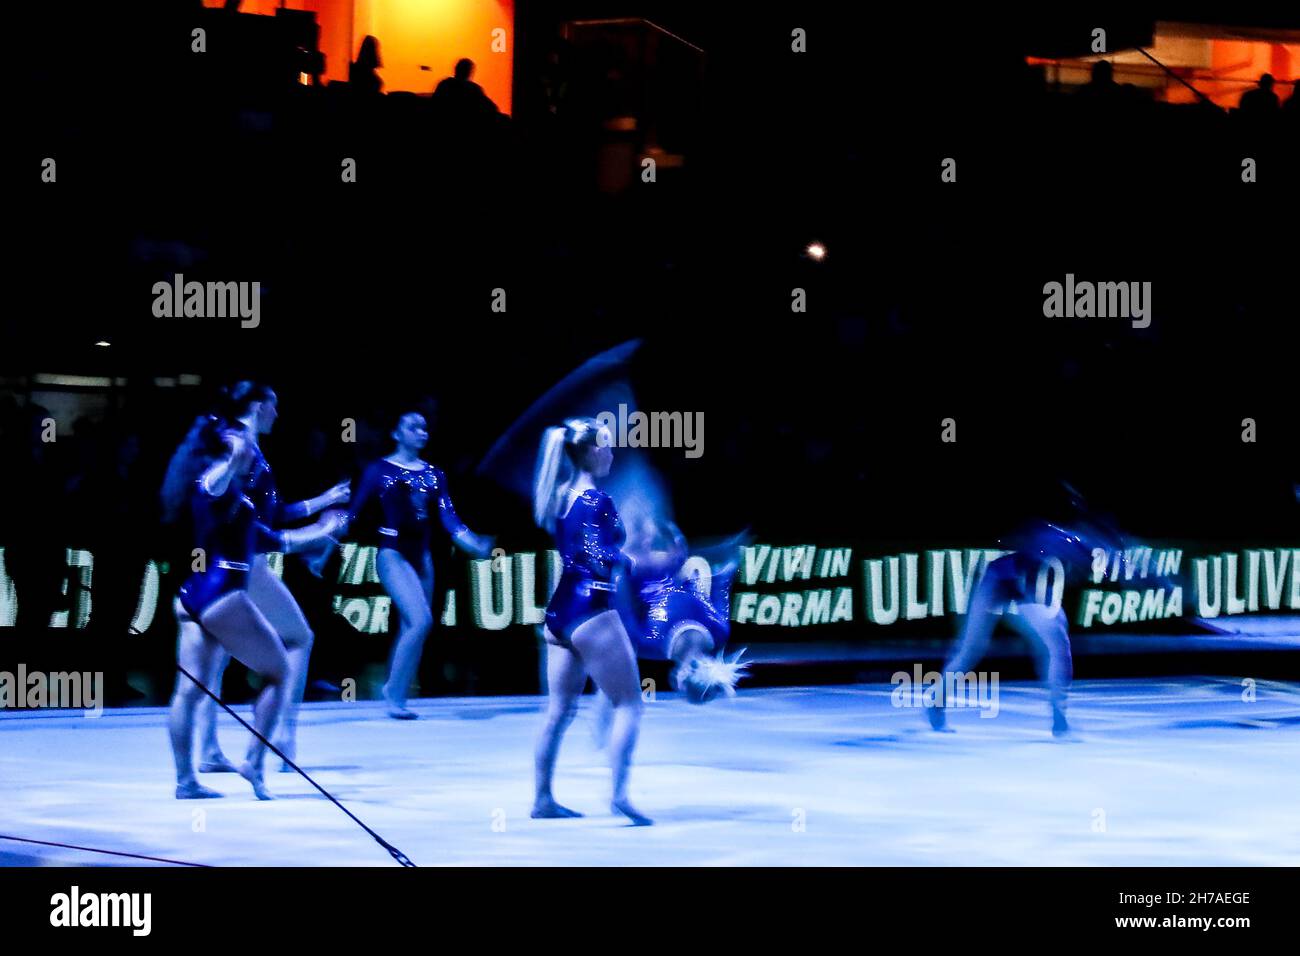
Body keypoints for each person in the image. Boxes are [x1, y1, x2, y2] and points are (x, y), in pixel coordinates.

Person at [161, 405, 343, 799]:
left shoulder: (239, 499)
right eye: (238, 442)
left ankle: (186, 781)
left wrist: (321, 528)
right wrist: (234, 456)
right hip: (221, 596)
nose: (249, 449)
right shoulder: (215, 480)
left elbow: (277, 540)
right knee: (279, 672)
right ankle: (254, 763)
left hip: (192, 597)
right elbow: (218, 483)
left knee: (189, 691)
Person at [531, 418, 654, 825]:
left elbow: (577, 554)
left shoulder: (561, 495)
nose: (612, 451)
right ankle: (619, 795)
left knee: (558, 711)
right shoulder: (596, 499)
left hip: (559, 614)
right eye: (605, 445)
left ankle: (543, 799)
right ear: (588, 452)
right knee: (630, 704)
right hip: (590, 611)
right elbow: (596, 556)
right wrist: (633, 559)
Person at [347, 411, 493, 718]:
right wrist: (323, 545)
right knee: (420, 621)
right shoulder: (379, 470)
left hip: (422, 556)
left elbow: (450, 520)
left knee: (412, 627)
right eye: (413, 427)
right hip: (392, 552)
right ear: (396, 433)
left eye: (425, 428)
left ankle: (397, 696)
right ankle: (391, 690)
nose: (421, 432)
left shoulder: (435, 475)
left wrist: (475, 544)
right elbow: (352, 514)